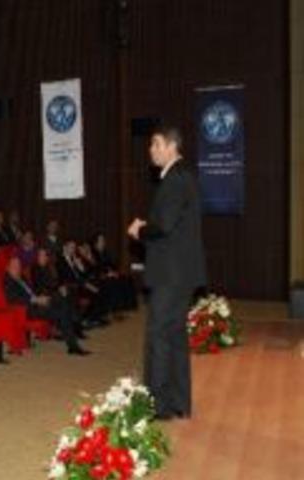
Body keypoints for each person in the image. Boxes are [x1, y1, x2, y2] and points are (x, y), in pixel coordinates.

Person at [128, 126, 206, 420]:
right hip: (180, 273)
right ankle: (179, 402)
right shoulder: (184, 176)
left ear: (172, 146)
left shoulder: (174, 179)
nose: (151, 149)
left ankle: (159, 406)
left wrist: (139, 230)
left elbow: (164, 225)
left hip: (170, 275)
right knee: (174, 337)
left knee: (159, 337)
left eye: (156, 144)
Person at [3, 256, 89, 356]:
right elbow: (13, 299)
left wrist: (41, 297)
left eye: (18, 265)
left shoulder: (21, 277)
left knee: (63, 298)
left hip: (38, 301)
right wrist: (35, 300)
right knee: (62, 311)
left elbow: (31, 291)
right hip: (28, 309)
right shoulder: (8, 281)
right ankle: (73, 343)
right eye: (14, 266)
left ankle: (72, 323)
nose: (17, 268)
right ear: (8, 267)